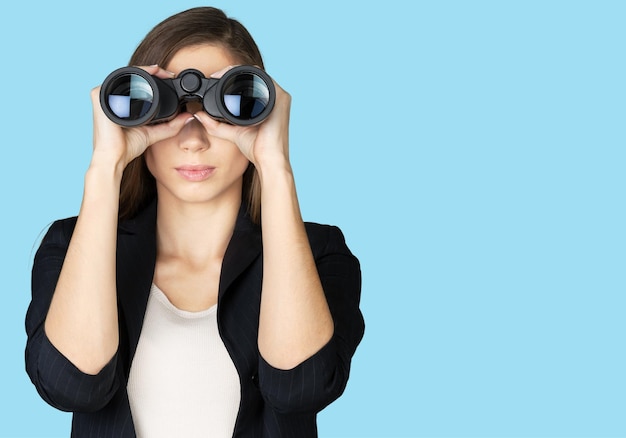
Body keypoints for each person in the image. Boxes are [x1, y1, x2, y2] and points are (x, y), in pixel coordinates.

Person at [24, 6, 364, 438]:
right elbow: (71, 387)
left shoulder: (319, 254)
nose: (193, 138)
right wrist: (105, 165)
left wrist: (275, 165)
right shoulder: (71, 244)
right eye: (164, 107)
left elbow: (300, 388)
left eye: (224, 105)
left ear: (259, 107)